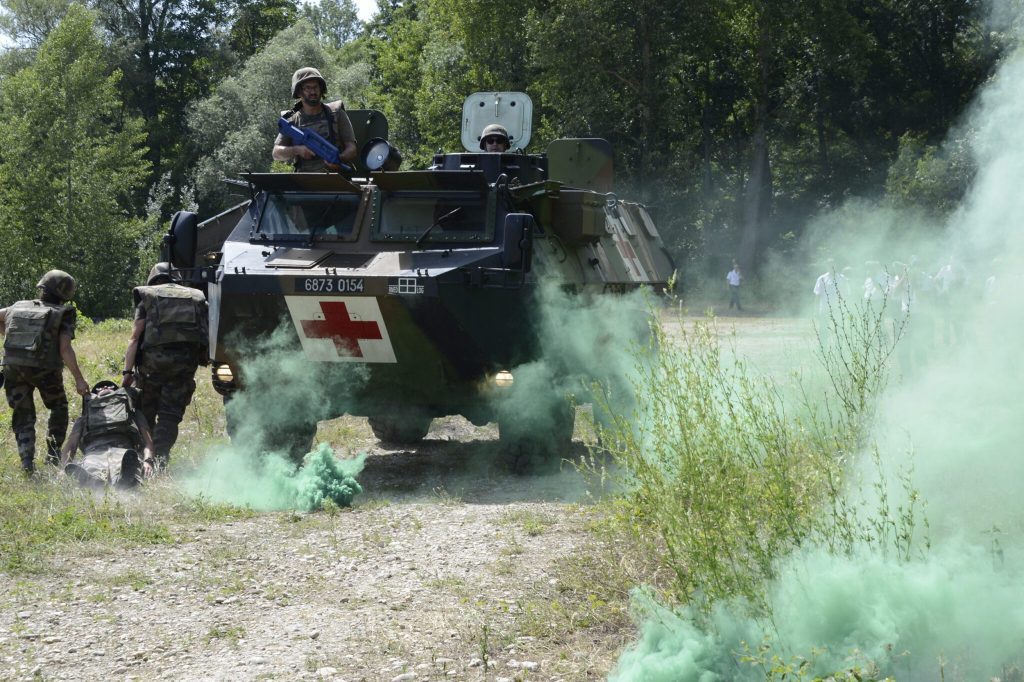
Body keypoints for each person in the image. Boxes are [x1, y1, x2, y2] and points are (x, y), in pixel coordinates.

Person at [0, 270, 90, 473]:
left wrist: (13, 337)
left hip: (13, 366)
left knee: (23, 415)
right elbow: (65, 349)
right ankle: (53, 456)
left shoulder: (17, 306)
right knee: (58, 407)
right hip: (45, 368)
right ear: (66, 292)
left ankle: (26, 464)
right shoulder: (63, 313)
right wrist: (79, 380)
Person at [121, 263, 208, 467]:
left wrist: (127, 371)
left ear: (153, 278)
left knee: (145, 413)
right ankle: (160, 459)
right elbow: (206, 335)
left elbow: (135, 337)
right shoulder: (196, 297)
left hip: (152, 367)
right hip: (184, 366)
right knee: (170, 415)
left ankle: (144, 458)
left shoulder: (148, 297)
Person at [61, 381, 156, 488]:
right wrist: (65, 467)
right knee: (91, 469)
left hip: (124, 451)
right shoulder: (84, 418)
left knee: (127, 466)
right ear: (93, 396)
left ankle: (124, 480)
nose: (105, 387)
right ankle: (90, 480)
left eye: (110, 386)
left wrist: (148, 460)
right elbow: (71, 445)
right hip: (94, 453)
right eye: (98, 388)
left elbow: (148, 441)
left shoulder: (132, 413)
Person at [272, 67, 357, 171]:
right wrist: (297, 150)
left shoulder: (336, 113)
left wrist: (339, 159)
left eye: (315, 87)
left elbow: (352, 149)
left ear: (321, 89)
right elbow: (276, 153)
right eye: (307, 88)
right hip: (305, 181)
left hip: (335, 179)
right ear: (298, 92)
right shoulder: (292, 120)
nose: (313, 92)